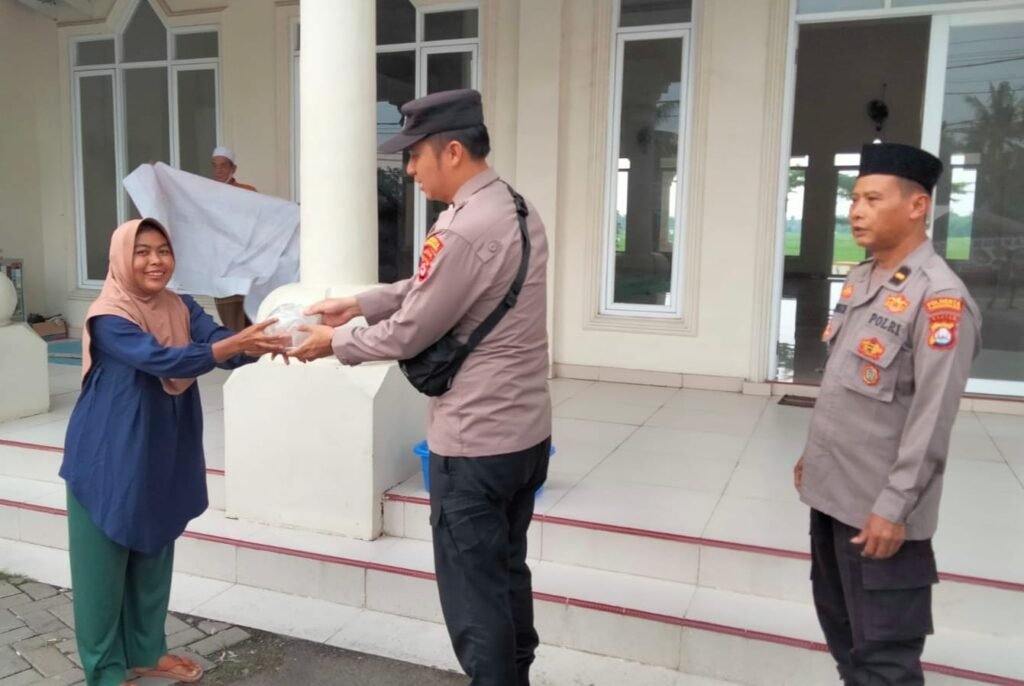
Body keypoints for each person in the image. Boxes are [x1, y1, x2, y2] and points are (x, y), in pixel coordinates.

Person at [289, 89, 552, 686]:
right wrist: (360, 302)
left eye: (414, 155)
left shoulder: (463, 227)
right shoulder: (515, 207)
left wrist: (335, 342)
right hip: (525, 436)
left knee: (475, 599)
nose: (408, 169)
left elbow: (411, 330)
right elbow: (433, 285)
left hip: (475, 444)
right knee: (506, 573)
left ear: (452, 151)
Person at [60, 218, 288, 686]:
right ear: (121, 257)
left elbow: (218, 343)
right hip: (109, 450)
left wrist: (266, 343)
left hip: (163, 442)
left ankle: (145, 652)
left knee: (154, 549)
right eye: (142, 251)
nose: (155, 261)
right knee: (102, 567)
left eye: (163, 250)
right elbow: (159, 359)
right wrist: (230, 346)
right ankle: (105, 670)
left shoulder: (180, 306)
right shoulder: (108, 316)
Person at [793, 142, 981, 685]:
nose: (856, 211)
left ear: (918, 206)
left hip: (880, 513)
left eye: (873, 199)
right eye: (855, 198)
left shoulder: (940, 300)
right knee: (845, 641)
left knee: (885, 660)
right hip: (833, 494)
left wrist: (895, 508)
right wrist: (812, 456)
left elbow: (932, 418)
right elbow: (843, 384)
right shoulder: (861, 279)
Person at [210, 145, 256, 331]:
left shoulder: (247, 192)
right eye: (215, 165)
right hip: (221, 268)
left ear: (233, 168)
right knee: (231, 324)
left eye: (224, 165)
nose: (219, 170)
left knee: (250, 320)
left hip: (245, 265)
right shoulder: (205, 193)